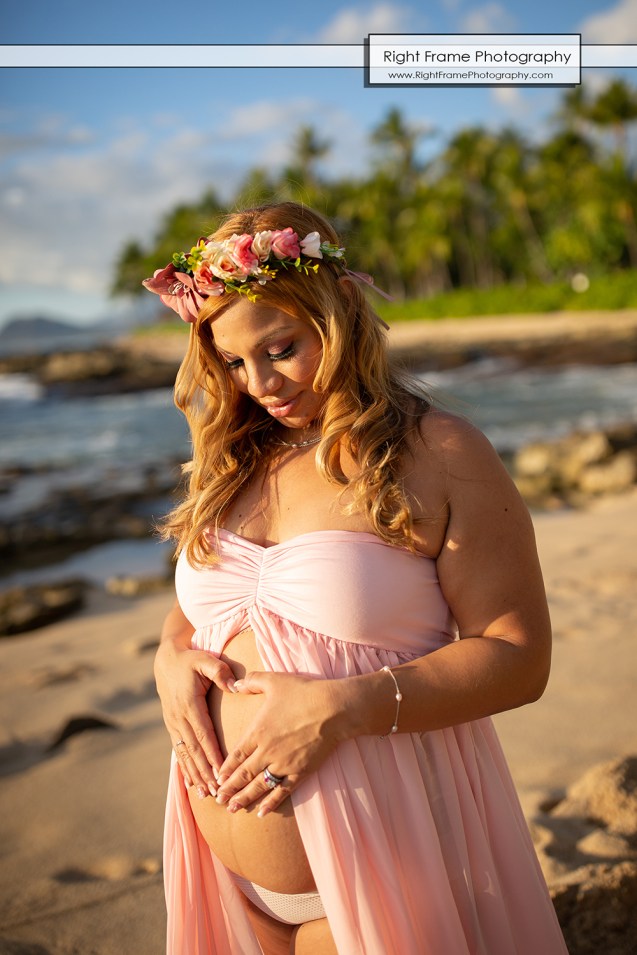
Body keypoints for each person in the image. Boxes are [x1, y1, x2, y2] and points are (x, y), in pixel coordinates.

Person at [144, 201, 568, 955]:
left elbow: (518, 655)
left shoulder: (436, 450)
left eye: (280, 348)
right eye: (233, 363)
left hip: (380, 862)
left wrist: (343, 707)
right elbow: (207, 604)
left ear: (339, 309)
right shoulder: (236, 458)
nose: (259, 384)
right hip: (225, 881)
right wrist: (169, 655)